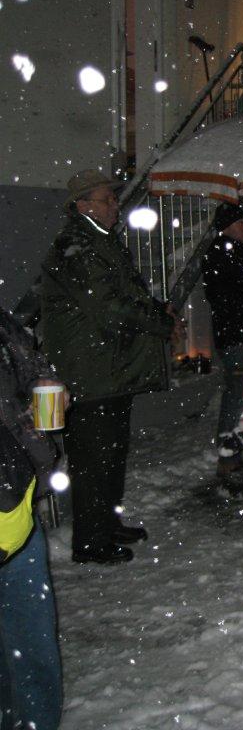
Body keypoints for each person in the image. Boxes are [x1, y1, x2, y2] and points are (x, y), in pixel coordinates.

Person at [40, 169, 183, 564]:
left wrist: (157, 310)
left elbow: (123, 295)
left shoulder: (98, 241)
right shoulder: (77, 247)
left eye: (113, 199)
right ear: (83, 205)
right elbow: (109, 306)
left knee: (111, 452)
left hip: (108, 368)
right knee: (93, 459)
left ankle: (106, 522)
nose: (115, 206)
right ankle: (90, 540)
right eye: (107, 199)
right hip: (90, 372)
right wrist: (161, 322)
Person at [0, 308, 62, 730]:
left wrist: (45, 388)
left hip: (14, 511)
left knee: (31, 646)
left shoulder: (3, 326)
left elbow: (34, 371)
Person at [201, 202, 243, 492]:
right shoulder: (220, 254)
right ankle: (228, 453)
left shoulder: (237, 251)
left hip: (242, 332)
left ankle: (234, 448)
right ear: (226, 227)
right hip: (235, 335)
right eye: (241, 223)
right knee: (237, 393)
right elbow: (227, 296)